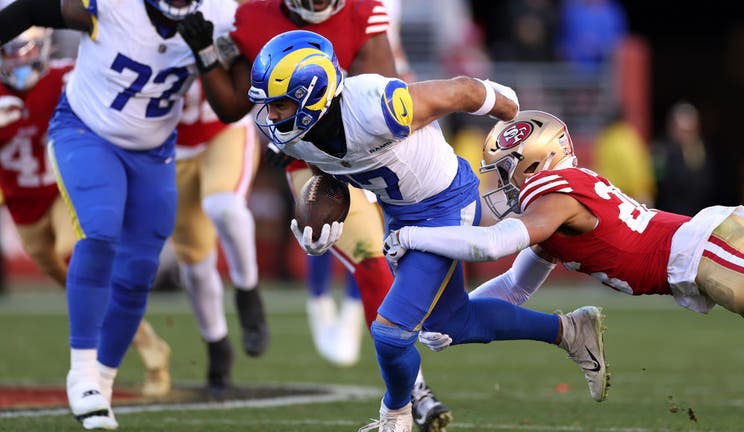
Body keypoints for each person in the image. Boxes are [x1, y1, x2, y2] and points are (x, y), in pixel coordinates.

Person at [246, 31, 609, 432]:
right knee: (452, 323)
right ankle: (570, 331)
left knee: (390, 333)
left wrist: (510, 109)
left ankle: (395, 417)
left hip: (446, 203)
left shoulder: (376, 106)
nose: (272, 117)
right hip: (400, 214)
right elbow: (331, 173)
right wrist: (324, 215)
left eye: (280, 105)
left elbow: (462, 91)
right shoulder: (295, 138)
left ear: (313, 94)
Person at [176, 3, 456, 431]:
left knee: (415, 254)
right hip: (311, 161)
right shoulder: (251, 16)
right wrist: (206, 55)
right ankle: (414, 390)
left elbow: (384, 85)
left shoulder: (363, 10)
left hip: (370, 146)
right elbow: (233, 107)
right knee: (369, 261)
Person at [0, 0, 237, 428]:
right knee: (100, 231)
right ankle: (83, 371)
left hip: (155, 151)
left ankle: (102, 384)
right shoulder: (110, 4)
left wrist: (207, 57)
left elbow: (231, 107)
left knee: (139, 270)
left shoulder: (221, 16)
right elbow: (27, 10)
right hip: (86, 131)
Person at [383, 110, 744, 356]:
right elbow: (515, 288)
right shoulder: (555, 210)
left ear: (535, 160)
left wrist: (410, 236)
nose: (502, 183)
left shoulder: (553, 193)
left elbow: (493, 244)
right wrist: (457, 316)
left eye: (504, 171)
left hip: (705, 249)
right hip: (701, 255)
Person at [0, 21, 172, 399]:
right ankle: (149, 342)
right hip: (21, 205)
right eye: (8, 50)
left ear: (42, 45)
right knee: (69, 276)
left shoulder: (66, 77)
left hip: (64, 189)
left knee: (74, 252)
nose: (16, 59)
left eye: (23, 49)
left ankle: (144, 351)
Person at [173, 78, 267, 393]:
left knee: (223, 205)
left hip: (223, 129)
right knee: (194, 262)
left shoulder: (222, 25)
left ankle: (247, 291)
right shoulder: (131, 32)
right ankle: (216, 343)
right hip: (169, 146)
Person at [652, 101, 715, 216]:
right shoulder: (662, 150)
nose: (687, 135)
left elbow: (706, 179)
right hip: (670, 212)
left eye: (690, 130)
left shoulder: (700, 149)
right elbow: (658, 181)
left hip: (696, 212)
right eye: (683, 130)